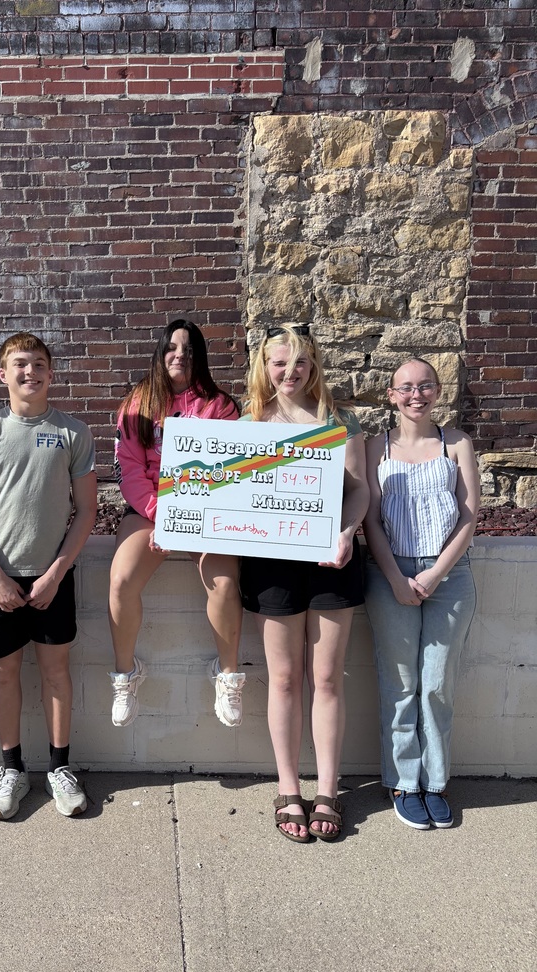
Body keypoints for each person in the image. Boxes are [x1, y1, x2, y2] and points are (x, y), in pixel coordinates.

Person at [0, 332, 97, 820]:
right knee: (4, 672)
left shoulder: (73, 432)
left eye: (38, 364)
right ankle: (11, 769)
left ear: (51, 374)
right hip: (1, 579)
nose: (29, 372)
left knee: (57, 673)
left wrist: (58, 572)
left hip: (51, 577)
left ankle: (60, 768)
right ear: (3, 373)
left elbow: (87, 511)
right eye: (19, 364)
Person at [239, 324, 369, 842]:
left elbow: (359, 492)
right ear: (263, 368)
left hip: (331, 558)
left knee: (329, 678)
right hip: (271, 563)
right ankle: (289, 788)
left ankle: (329, 790)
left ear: (314, 367)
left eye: (300, 363)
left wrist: (347, 532)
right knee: (286, 679)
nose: (290, 372)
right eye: (279, 363)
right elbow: (226, 498)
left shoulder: (339, 421)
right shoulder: (248, 425)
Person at [108, 319, 245, 728]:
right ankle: (125, 675)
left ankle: (228, 675)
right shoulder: (138, 402)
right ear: (160, 352)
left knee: (224, 584)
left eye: (188, 350)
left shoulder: (220, 406)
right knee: (120, 581)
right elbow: (129, 470)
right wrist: (162, 515)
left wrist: (187, 519)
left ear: (199, 357)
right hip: (150, 510)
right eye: (171, 347)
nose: (179, 355)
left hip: (205, 512)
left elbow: (231, 470)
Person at [363, 359, 478, 830]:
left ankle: (435, 781)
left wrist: (434, 575)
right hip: (390, 574)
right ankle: (404, 782)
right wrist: (394, 578)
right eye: (406, 387)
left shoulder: (457, 444)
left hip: (448, 576)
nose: (417, 395)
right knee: (400, 683)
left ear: (437, 391)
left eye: (426, 386)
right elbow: (369, 519)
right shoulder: (375, 447)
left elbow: (469, 517)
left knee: (436, 684)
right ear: (391, 395)